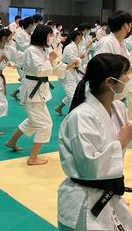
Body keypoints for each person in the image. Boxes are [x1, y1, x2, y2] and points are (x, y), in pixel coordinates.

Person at [56, 53, 132, 231]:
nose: (128, 79)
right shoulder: (81, 117)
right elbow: (90, 166)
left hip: (106, 194)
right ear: (110, 83)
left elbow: (128, 131)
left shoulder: (117, 107)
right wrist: (121, 141)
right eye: (124, 74)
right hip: (84, 200)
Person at [5, 24, 79, 165]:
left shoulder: (46, 49)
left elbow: (55, 69)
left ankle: (12, 142)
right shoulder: (31, 51)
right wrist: (50, 59)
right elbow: (40, 70)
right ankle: (33, 158)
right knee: (45, 124)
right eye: (50, 35)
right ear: (42, 36)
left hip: (40, 90)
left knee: (33, 121)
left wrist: (70, 66)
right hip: (32, 90)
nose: (52, 38)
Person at [54, 30, 87, 116]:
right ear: (78, 37)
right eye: (81, 36)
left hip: (73, 72)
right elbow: (72, 61)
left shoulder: (77, 46)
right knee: (73, 96)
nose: (82, 38)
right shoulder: (69, 47)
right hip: (66, 72)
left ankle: (59, 108)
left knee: (76, 92)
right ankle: (73, 116)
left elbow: (78, 61)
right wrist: (80, 58)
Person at [9, 16, 36, 101]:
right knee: (26, 80)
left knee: (28, 79)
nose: (35, 26)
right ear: (31, 25)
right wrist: (34, 43)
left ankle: (16, 94)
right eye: (34, 24)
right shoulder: (20, 34)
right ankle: (22, 98)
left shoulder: (32, 35)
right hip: (21, 60)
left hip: (30, 60)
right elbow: (23, 47)